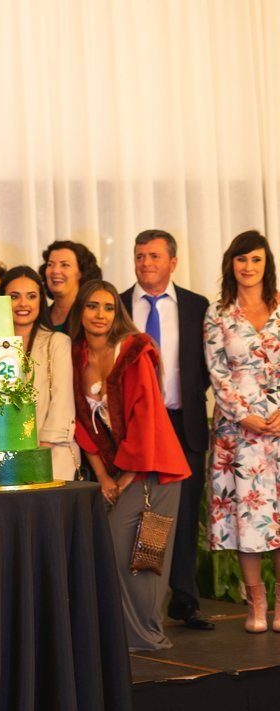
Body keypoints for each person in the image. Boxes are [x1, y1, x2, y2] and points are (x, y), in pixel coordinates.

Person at [71, 280, 190, 651]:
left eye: (108, 307)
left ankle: (147, 635)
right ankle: (123, 634)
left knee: (145, 556)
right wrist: (102, 475)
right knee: (113, 547)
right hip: (117, 471)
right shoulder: (75, 356)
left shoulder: (134, 352)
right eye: (92, 306)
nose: (101, 315)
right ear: (80, 311)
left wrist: (123, 479)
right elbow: (80, 424)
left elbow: (145, 419)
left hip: (157, 470)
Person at [122, 230, 214, 631]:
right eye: (140, 256)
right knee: (138, 512)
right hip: (134, 426)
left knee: (185, 511)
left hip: (181, 422)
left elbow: (205, 366)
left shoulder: (197, 306)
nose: (145, 263)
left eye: (154, 256)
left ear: (173, 262)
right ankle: (138, 602)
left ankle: (185, 599)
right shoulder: (118, 305)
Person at [205, 231, 280, 633]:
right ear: (230, 264)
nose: (248, 267)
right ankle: (256, 603)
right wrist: (243, 414)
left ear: (267, 264)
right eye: (241, 259)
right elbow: (216, 372)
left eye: (256, 259)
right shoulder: (218, 313)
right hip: (237, 433)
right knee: (245, 518)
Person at [0, 266, 78, 480]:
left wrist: (38, 453)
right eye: (14, 296)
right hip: (3, 458)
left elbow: (62, 402)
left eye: (31, 296)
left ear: (41, 301)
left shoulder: (57, 342)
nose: (23, 304)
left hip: (51, 457)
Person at [40, 240, 102, 332]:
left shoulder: (92, 317)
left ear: (81, 273)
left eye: (64, 265)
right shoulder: (39, 317)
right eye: (50, 264)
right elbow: (18, 340)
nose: (55, 271)